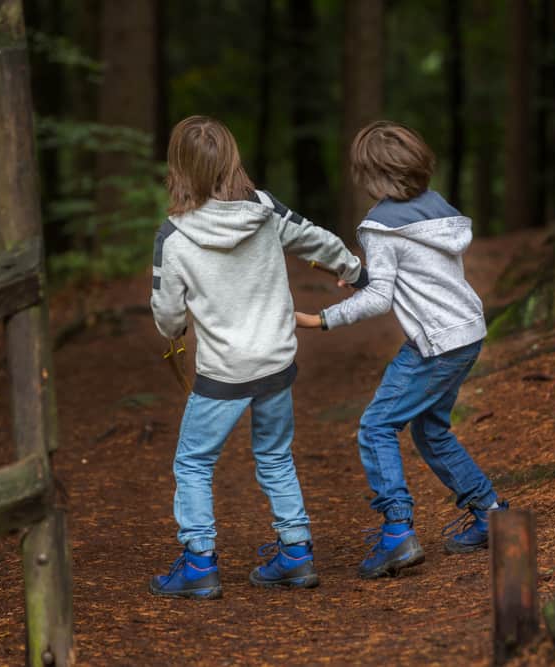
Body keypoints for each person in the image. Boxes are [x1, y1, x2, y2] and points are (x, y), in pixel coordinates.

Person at [149, 115, 368, 599]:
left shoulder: (175, 236)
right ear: (232, 160)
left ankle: (199, 563)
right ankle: (295, 552)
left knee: (193, 464)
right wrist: (353, 271)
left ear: (179, 169)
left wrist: (177, 332)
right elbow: (316, 238)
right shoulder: (265, 211)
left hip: (222, 373)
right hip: (275, 363)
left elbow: (166, 312)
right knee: (273, 455)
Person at [295, 120, 507, 579]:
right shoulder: (438, 214)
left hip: (435, 344)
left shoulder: (381, 228)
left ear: (372, 176)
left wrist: (322, 319)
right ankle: (491, 513)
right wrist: (364, 276)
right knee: (431, 431)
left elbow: (380, 299)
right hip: (468, 331)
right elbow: (416, 275)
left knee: (376, 427)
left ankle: (397, 532)